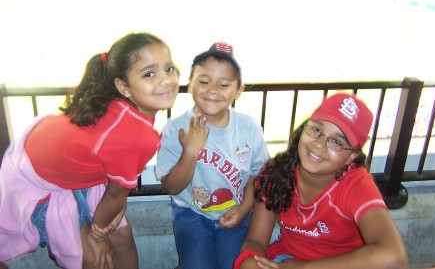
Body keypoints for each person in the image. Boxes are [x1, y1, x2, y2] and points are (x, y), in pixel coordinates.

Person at [0, 32, 180, 269]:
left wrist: (106, 225)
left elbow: (115, 187)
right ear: (123, 87)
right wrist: (98, 237)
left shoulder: (120, 105)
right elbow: (115, 195)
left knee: (122, 236)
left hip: (61, 157)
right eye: (149, 74)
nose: (166, 80)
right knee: (94, 258)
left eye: (169, 68)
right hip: (35, 176)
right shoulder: (138, 137)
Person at [234, 93, 409, 269]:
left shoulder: (356, 184)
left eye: (336, 142)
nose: (319, 144)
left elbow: (394, 257)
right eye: (316, 130)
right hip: (287, 259)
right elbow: (255, 241)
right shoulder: (277, 173)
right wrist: (250, 262)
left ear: (352, 156)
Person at [155, 42, 270, 269]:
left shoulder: (248, 128)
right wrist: (190, 151)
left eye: (224, 84)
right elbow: (172, 187)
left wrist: (245, 207)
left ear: (239, 90)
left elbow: (259, 174)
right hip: (191, 212)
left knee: (233, 264)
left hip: (235, 211)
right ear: (190, 85)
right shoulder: (176, 128)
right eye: (204, 81)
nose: (213, 90)